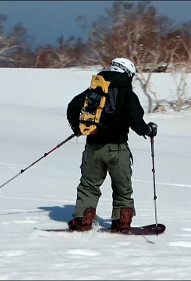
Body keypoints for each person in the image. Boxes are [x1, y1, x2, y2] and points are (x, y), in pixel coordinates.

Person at [66, 58, 157, 233]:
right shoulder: (127, 94)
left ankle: (83, 220)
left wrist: (78, 128)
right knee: (122, 187)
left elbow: (72, 107)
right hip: (118, 149)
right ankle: (122, 221)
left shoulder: (94, 89)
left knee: (89, 185)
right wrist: (148, 130)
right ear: (128, 74)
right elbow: (137, 122)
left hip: (93, 148)